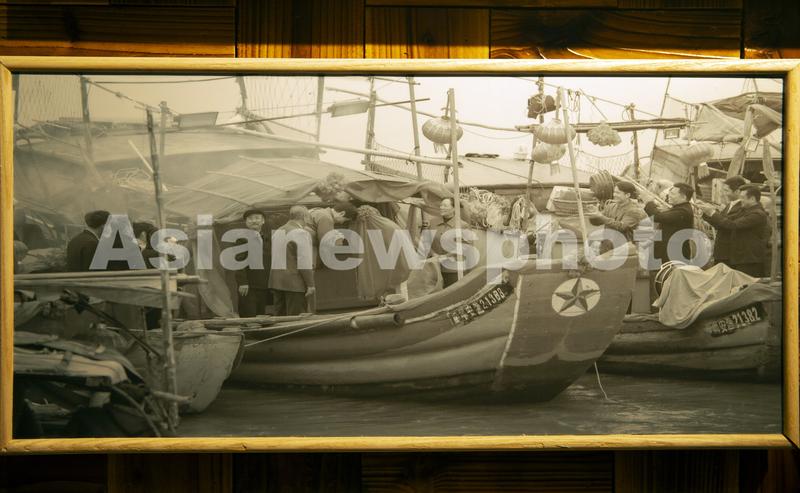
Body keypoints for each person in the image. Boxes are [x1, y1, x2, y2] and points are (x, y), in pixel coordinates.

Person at [698, 184, 769, 277]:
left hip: (749, 259)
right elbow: (724, 222)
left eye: (743, 198)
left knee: (746, 283)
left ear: (752, 199)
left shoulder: (757, 214)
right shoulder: (744, 210)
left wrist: (712, 212)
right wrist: (707, 214)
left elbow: (732, 225)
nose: (740, 200)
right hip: (740, 257)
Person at [269, 206, 315, 316]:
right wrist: (310, 284)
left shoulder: (278, 231)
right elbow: (304, 261)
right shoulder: (301, 233)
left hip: (277, 282)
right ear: (304, 217)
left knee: (280, 318)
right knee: (296, 319)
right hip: (295, 283)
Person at [640, 182, 695, 267]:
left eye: (672, 194)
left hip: (673, 255)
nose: (669, 195)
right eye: (669, 192)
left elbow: (657, 217)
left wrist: (648, 202)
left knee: (668, 275)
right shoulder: (678, 208)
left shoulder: (683, 211)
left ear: (683, 197)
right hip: (665, 253)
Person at [234, 209, 273, 317]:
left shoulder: (267, 239)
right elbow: (239, 261)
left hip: (264, 284)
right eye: (250, 219)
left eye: (257, 218)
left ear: (263, 221)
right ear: (246, 222)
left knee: (261, 315)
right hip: (248, 286)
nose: (254, 221)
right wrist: (242, 282)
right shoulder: (241, 239)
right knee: (249, 315)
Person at [430, 198, 472, 288]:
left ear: (454, 209)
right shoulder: (432, 223)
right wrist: (433, 254)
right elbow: (426, 242)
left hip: (453, 270)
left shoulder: (463, 225)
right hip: (435, 268)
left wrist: (446, 256)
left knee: (453, 293)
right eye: (441, 205)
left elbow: (466, 246)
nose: (441, 207)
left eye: (445, 205)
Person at [707, 176, 748, 267]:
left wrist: (712, 212)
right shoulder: (730, 204)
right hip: (721, 251)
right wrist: (705, 213)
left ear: (737, 191)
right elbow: (718, 225)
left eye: (726, 191)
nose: (724, 194)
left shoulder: (742, 207)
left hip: (730, 253)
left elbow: (727, 224)